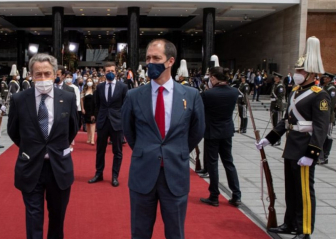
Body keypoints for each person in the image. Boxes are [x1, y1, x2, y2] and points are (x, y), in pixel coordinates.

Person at [122, 39, 205, 239]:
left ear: (170, 61)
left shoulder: (192, 95)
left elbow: (197, 130)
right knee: (140, 232)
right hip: (143, 174)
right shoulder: (134, 95)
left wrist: (177, 150)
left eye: (156, 58)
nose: (150, 63)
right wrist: (146, 150)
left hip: (175, 174)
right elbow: (129, 130)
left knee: (175, 232)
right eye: (148, 58)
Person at [256, 36, 330, 239]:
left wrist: (312, 153)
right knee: (291, 189)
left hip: (305, 147)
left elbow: (321, 128)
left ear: (311, 73)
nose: (297, 74)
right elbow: (288, 120)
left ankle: (304, 229)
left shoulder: (319, 94)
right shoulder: (296, 92)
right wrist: (269, 138)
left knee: (304, 192)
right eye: (297, 71)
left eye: (300, 71)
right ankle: (290, 223)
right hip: (292, 146)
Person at [7, 53, 78, 239]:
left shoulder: (68, 97)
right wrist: (31, 148)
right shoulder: (19, 99)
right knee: (33, 217)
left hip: (59, 168)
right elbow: (13, 131)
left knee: (57, 217)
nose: (43, 78)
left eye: (47, 73)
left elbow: (72, 129)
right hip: (31, 167)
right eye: (38, 74)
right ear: (31, 75)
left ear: (56, 73)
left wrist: (54, 148)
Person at [200, 66, 242, 208]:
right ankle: (236, 195)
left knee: (213, 164)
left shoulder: (208, 94)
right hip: (226, 130)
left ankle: (214, 195)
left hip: (212, 131)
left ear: (213, 78)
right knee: (228, 162)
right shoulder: (234, 92)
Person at [88, 62, 128, 187]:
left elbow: (125, 105)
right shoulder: (99, 87)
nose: (110, 73)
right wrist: (98, 116)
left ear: (116, 72)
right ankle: (98, 173)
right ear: (104, 72)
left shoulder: (123, 87)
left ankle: (115, 176)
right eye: (107, 71)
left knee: (117, 151)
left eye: (112, 71)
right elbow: (98, 104)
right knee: (100, 150)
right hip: (103, 121)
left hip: (117, 122)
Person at [319, 72, 336, 164]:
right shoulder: (324, 87)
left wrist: (326, 114)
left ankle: (325, 156)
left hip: (328, 116)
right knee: (321, 135)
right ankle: (320, 155)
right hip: (322, 115)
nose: (324, 79)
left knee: (327, 136)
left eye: (325, 78)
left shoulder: (331, 88)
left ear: (329, 79)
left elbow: (332, 104)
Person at [270, 72, 285, 145]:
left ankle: (278, 140)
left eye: (276, 77)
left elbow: (280, 97)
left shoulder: (280, 86)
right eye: (274, 77)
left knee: (278, 124)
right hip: (273, 105)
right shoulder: (275, 85)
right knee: (274, 123)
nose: (274, 78)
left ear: (278, 78)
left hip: (277, 107)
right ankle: (274, 139)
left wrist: (277, 106)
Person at [82, 77, 97, 144]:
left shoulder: (95, 91)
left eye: (90, 81)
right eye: (88, 81)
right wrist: (82, 108)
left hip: (93, 108)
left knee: (93, 123)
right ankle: (89, 137)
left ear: (93, 82)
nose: (89, 82)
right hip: (86, 108)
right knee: (87, 123)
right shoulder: (84, 91)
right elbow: (81, 100)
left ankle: (93, 139)